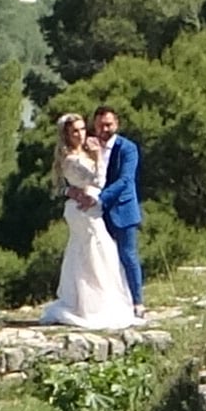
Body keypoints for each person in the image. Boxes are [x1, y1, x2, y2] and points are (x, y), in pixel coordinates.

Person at [44, 114, 135, 329]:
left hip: (89, 208)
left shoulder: (79, 153)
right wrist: (97, 158)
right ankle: (88, 304)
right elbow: (98, 181)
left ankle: (96, 300)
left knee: (91, 252)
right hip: (83, 211)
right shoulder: (71, 158)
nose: (80, 134)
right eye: (75, 130)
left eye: (83, 129)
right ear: (66, 134)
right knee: (92, 252)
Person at [92, 105, 145, 310]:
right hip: (97, 213)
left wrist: (100, 198)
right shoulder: (91, 146)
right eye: (99, 125)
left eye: (108, 125)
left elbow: (125, 179)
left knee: (128, 256)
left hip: (123, 209)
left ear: (116, 124)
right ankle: (108, 302)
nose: (104, 129)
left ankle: (137, 303)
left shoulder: (127, 148)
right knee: (101, 259)